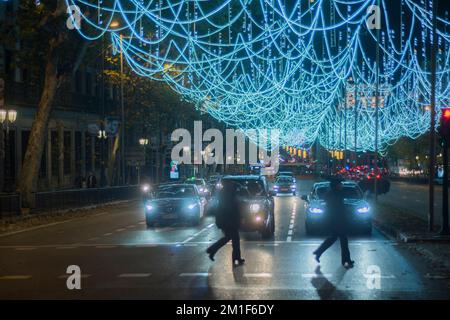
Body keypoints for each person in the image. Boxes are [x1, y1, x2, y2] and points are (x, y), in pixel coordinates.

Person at [313, 179, 354, 268]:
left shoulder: (331, 194)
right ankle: (346, 260)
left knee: (334, 239)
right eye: (340, 184)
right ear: (336, 186)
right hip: (337, 220)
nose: (341, 185)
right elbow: (338, 208)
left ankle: (319, 252)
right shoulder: (337, 194)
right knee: (343, 240)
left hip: (334, 220)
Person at [206, 180, 245, 267]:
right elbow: (233, 210)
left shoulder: (224, 194)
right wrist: (238, 219)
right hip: (230, 221)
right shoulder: (229, 195)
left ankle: (212, 250)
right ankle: (235, 258)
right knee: (234, 240)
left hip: (227, 221)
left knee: (230, 239)